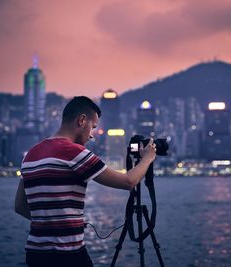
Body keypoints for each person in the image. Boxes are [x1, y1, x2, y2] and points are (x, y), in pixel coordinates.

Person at [14, 96, 156, 267]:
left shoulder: (30, 154)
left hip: (35, 254)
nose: (92, 135)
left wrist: (52, 222)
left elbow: (20, 206)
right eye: (93, 127)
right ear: (81, 120)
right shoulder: (74, 152)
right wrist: (147, 158)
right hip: (68, 255)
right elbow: (128, 181)